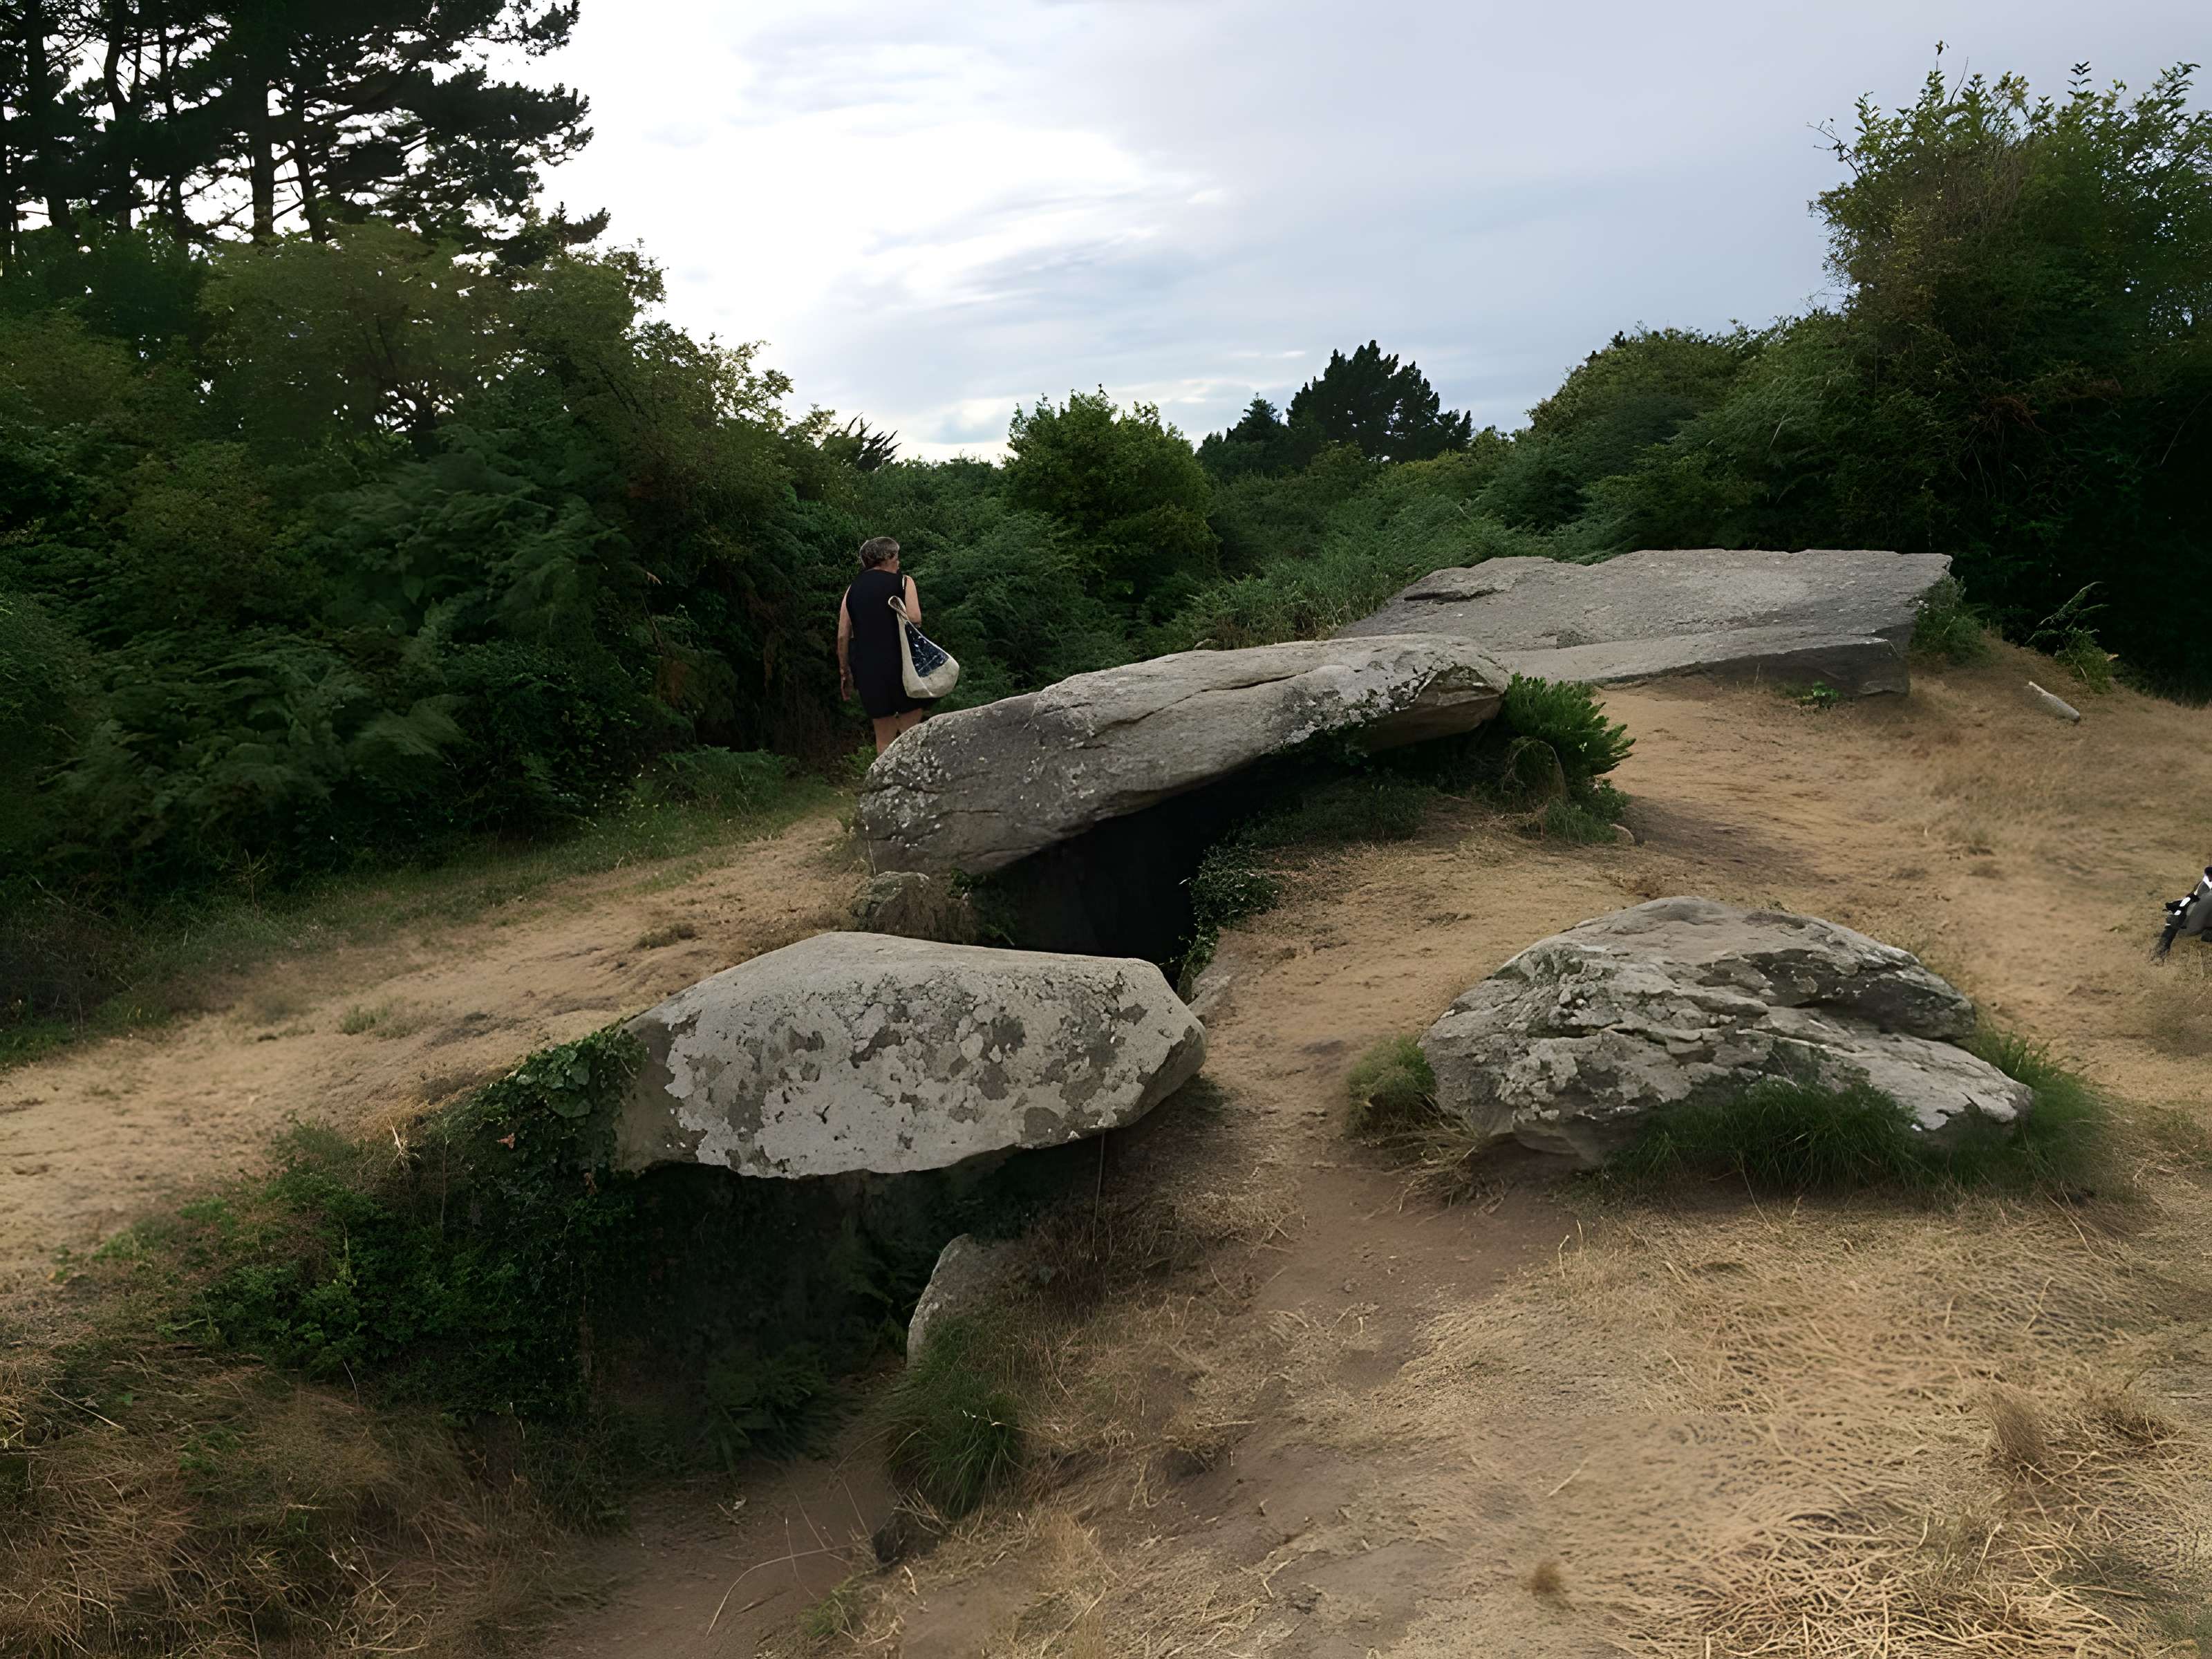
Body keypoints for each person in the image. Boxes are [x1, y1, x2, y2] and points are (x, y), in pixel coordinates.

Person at [838, 535, 931, 753]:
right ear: (888, 557)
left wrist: (845, 671)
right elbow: (915, 618)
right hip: (901, 663)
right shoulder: (904, 582)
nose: (899, 562)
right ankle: (911, 771)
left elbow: (843, 635)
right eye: (897, 556)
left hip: (867, 668)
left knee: (883, 737)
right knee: (910, 730)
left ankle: (885, 773)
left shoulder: (852, 590)